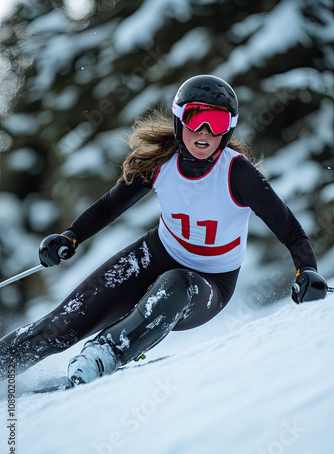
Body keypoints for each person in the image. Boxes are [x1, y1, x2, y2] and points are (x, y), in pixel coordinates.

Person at [0, 74, 328, 385]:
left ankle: (103, 355)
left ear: (228, 130)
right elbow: (109, 206)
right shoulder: (161, 162)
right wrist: (70, 236)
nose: (204, 131)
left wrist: (307, 270)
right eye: (195, 117)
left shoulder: (238, 174)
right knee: (63, 324)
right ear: (178, 119)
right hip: (153, 255)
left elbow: (290, 230)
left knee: (176, 285)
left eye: (216, 123)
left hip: (210, 283)